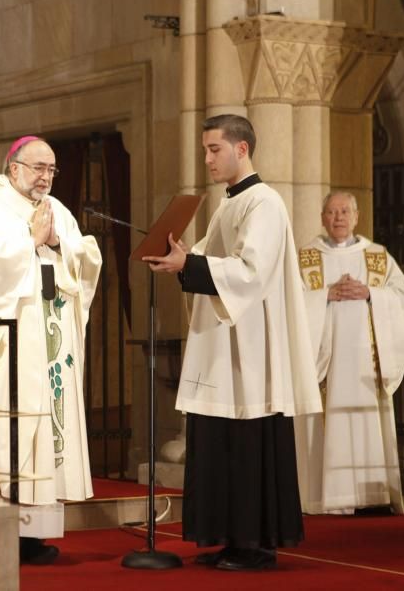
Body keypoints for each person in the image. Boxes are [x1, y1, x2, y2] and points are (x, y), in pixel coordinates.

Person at [144, 114, 322, 572]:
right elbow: (209, 256)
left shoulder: (263, 202)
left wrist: (191, 264)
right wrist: (181, 260)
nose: (207, 158)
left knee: (246, 442)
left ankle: (255, 544)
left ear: (241, 149)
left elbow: (250, 271)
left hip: (251, 351)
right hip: (227, 347)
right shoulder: (231, 203)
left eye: (214, 149)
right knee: (221, 441)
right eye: (205, 149)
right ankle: (228, 537)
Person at [0, 136, 102, 564]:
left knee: (43, 434)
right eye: (38, 167)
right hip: (9, 348)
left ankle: (33, 535)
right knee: (9, 434)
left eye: (52, 169)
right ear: (12, 167)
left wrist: (60, 245)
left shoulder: (60, 211)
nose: (45, 177)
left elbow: (81, 259)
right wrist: (28, 240)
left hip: (49, 342)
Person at [293, 191, 404, 515]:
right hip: (326, 364)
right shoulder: (306, 258)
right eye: (331, 212)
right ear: (322, 218)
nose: (339, 218)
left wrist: (370, 292)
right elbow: (290, 303)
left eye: (345, 211)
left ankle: (371, 497)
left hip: (365, 366)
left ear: (357, 217)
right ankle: (322, 498)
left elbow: (400, 298)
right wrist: (324, 295)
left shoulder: (377, 256)